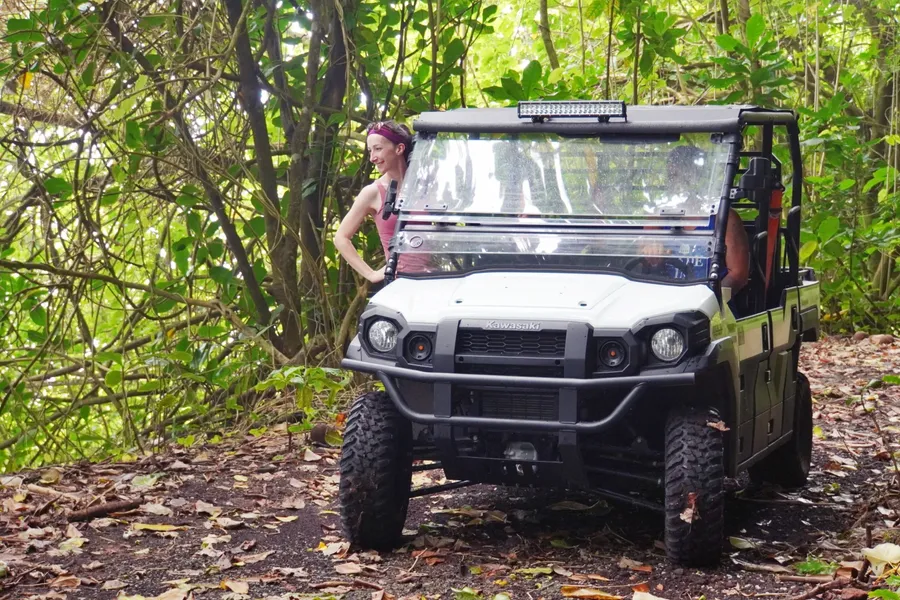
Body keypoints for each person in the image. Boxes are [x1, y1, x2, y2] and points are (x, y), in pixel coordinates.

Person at [335, 120, 419, 288]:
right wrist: (371, 274)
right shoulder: (372, 192)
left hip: (437, 281)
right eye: (370, 151)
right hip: (400, 284)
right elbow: (340, 238)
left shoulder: (425, 187)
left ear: (399, 148)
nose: (372, 158)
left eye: (378, 149)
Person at [665, 145, 749, 295]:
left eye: (678, 173)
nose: (673, 180)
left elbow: (738, 274)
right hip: (662, 305)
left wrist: (710, 301)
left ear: (695, 176)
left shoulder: (724, 218)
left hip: (712, 308)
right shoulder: (658, 218)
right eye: (670, 175)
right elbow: (645, 259)